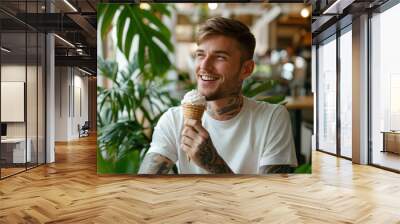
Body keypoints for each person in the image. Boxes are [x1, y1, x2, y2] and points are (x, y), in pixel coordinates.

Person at [139, 17, 298, 174]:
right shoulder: (174, 120)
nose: (204, 66)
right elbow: (144, 188)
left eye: (220, 57)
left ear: (246, 69)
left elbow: (273, 197)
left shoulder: (272, 118)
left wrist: (213, 163)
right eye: (200, 55)